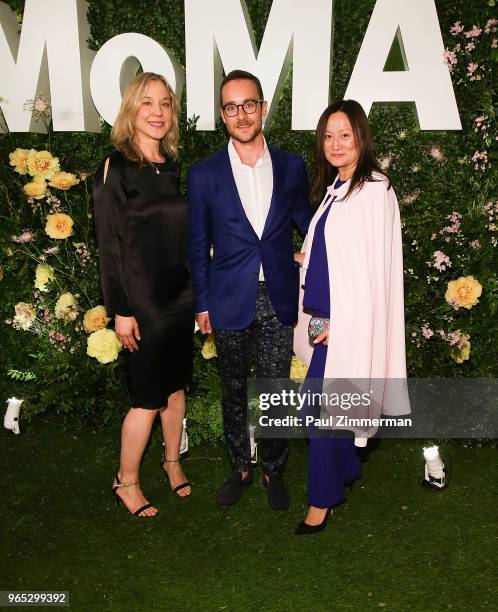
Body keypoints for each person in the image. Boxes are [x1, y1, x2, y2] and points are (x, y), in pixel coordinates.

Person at [188, 70, 312, 510]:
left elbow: (310, 224)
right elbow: (197, 244)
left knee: (276, 387)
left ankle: (273, 469)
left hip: (278, 295)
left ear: (263, 107)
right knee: (234, 387)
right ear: (222, 115)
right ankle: (240, 465)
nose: (241, 114)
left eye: (249, 104)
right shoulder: (204, 174)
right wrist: (201, 303)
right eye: (231, 106)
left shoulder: (292, 166)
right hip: (227, 299)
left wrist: (309, 258)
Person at [293, 100, 410, 535]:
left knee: (321, 412)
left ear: (361, 137)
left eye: (345, 134)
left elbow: (369, 270)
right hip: (327, 316)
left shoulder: (373, 189)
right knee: (320, 409)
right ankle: (345, 471)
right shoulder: (337, 189)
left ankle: (321, 501)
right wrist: (302, 260)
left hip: (344, 323)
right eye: (328, 135)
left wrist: (335, 322)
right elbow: (332, 254)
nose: (335, 144)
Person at [93, 72, 194, 517]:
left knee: (174, 389)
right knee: (147, 398)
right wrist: (121, 310)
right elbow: (109, 245)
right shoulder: (116, 167)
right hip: (143, 301)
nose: (157, 112)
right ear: (131, 109)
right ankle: (126, 481)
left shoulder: (169, 163)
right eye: (147, 103)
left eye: (165, 103)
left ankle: (172, 461)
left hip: (178, 295)